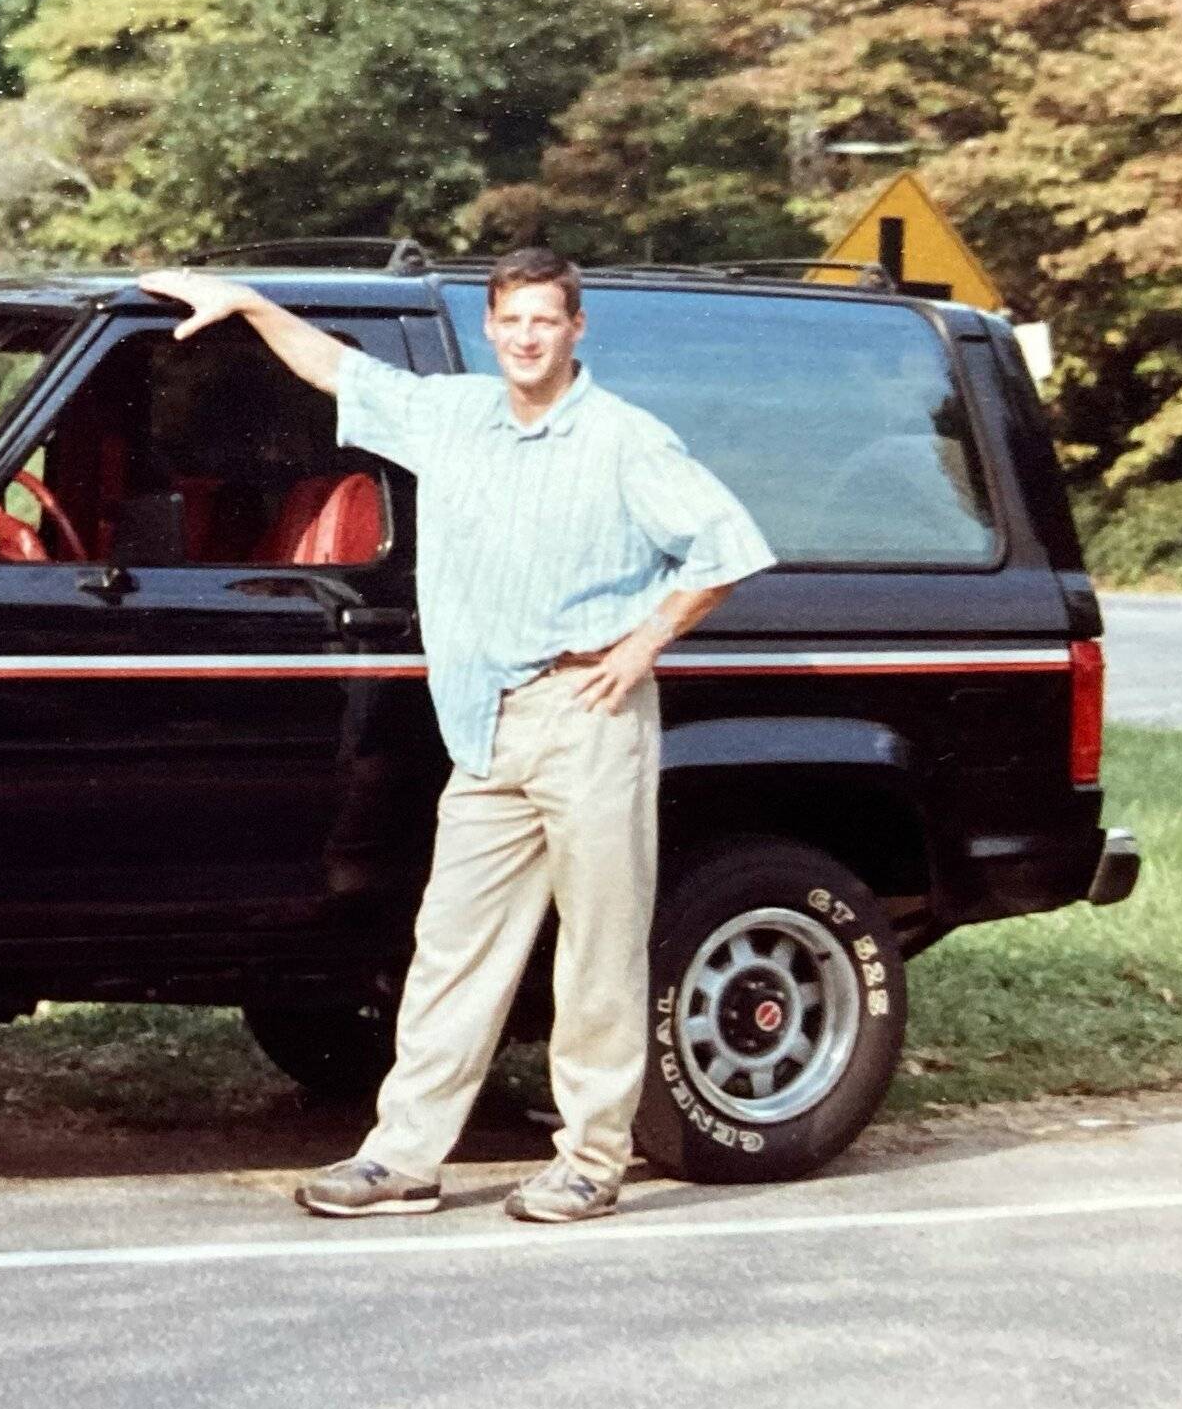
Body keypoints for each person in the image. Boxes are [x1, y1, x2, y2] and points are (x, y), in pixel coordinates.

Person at [136, 248, 776, 1223]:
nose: (527, 336)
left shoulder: (620, 438)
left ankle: (590, 1158)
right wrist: (251, 304)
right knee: (451, 943)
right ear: (491, 326)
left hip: (588, 715)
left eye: (545, 320)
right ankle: (403, 1156)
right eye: (512, 320)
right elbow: (337, 369)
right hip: (485, 722)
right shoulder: (456, 416)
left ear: (575, 328)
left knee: (598, 949)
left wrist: (644, 641)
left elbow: (725, 543)